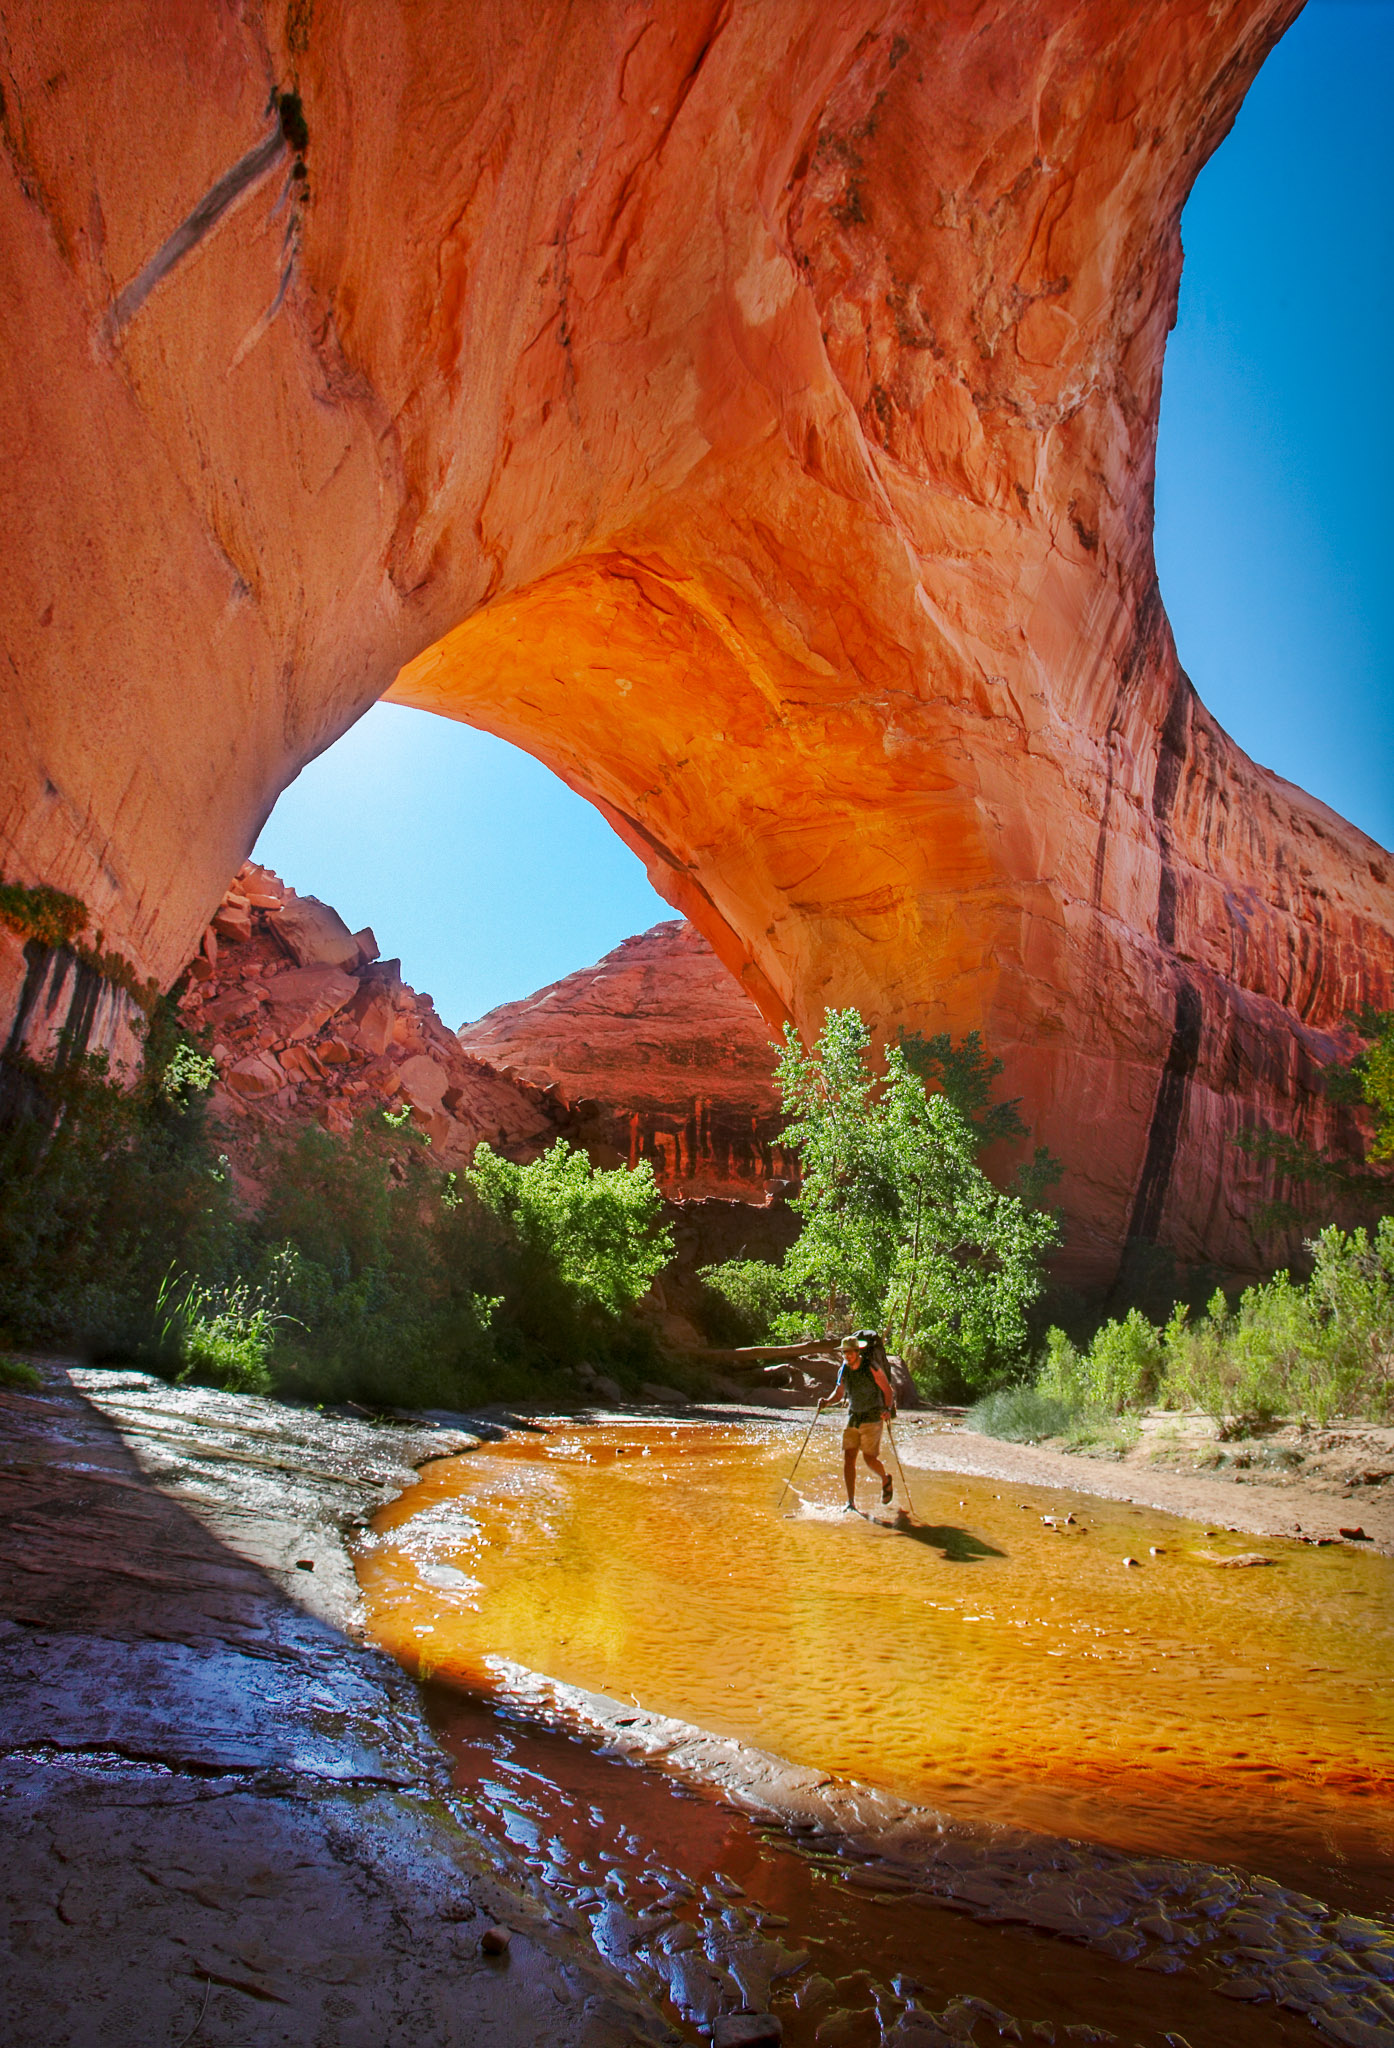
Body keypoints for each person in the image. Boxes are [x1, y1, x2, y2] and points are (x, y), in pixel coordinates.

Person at [818, 1331, 896, 1512]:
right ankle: (851, 1503)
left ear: (857, 1352)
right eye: (845, 1352)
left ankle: (885, 1479)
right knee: (849, 1457)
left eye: (850, 1352)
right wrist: (827, 1402)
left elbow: (887, 1390)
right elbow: (839, 1393)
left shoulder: (872, 1367)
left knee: (869, 1459)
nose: (847, 1355)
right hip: (853, 1416)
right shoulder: (843, 1369)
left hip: (872, 1416)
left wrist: (886, 1409)